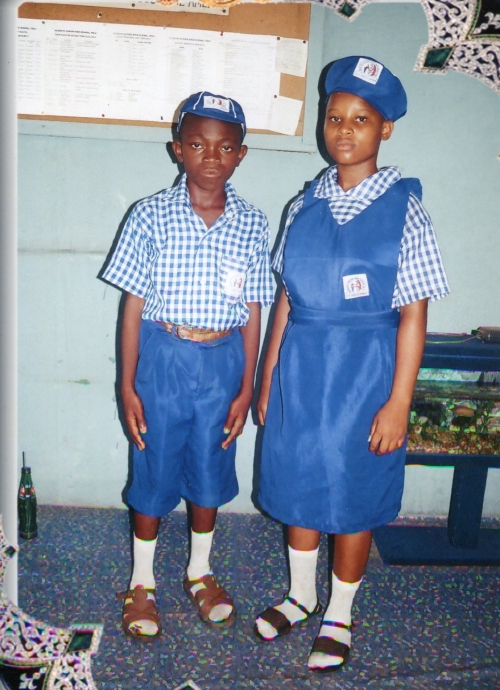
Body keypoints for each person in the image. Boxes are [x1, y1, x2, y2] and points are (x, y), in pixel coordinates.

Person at [254, 56, 449, 672]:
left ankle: (339, 611)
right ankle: (301, 595)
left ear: (385, 128)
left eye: (360, 119)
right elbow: (286, 300)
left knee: (352, 487)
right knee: (297, 482)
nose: (344, 129)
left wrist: (399, 402)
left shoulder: (404, 208)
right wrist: (266, 378)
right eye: (334, 116)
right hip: (301, 369)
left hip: (366, 372)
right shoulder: (302, 205)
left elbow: (413, 314)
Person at [102, 91, 274, 639]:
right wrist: (126, 384)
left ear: (241, 154)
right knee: (153, 463)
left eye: (224, 146)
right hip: (164, 355)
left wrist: (246, 386)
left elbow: (254, 308)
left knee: (210, 462)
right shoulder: (149, 215)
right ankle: (142, 581)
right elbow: (132, 306)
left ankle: (199, 571)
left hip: (224, 359)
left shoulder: (252, 223)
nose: (211, 156)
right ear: (178, 149)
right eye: (198, 144)